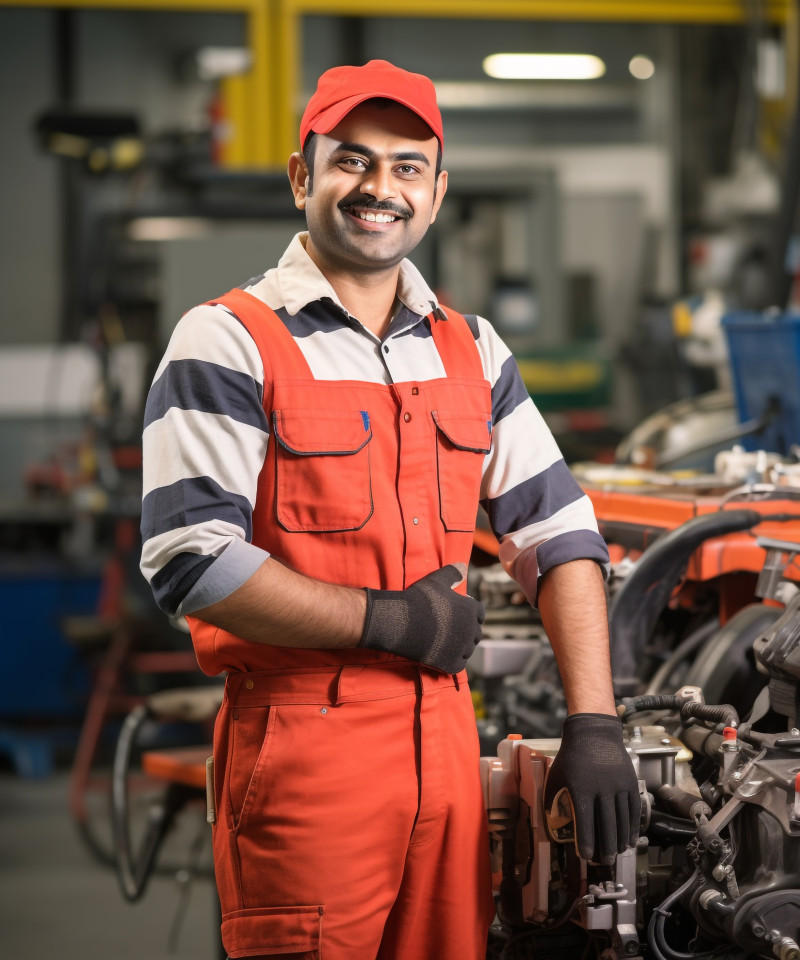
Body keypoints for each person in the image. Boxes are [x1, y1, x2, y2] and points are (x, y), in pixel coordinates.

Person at [140, 58, 640, 960]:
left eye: (408, 166)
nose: (381, 189)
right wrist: (390, 620)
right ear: (303, 176)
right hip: (305, 747)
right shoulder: (227, 339)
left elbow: (561, 532)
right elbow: (191, 560)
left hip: (447, 747)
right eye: (353, 161)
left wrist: (593, 720)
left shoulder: (472, 346)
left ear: (438, 192)